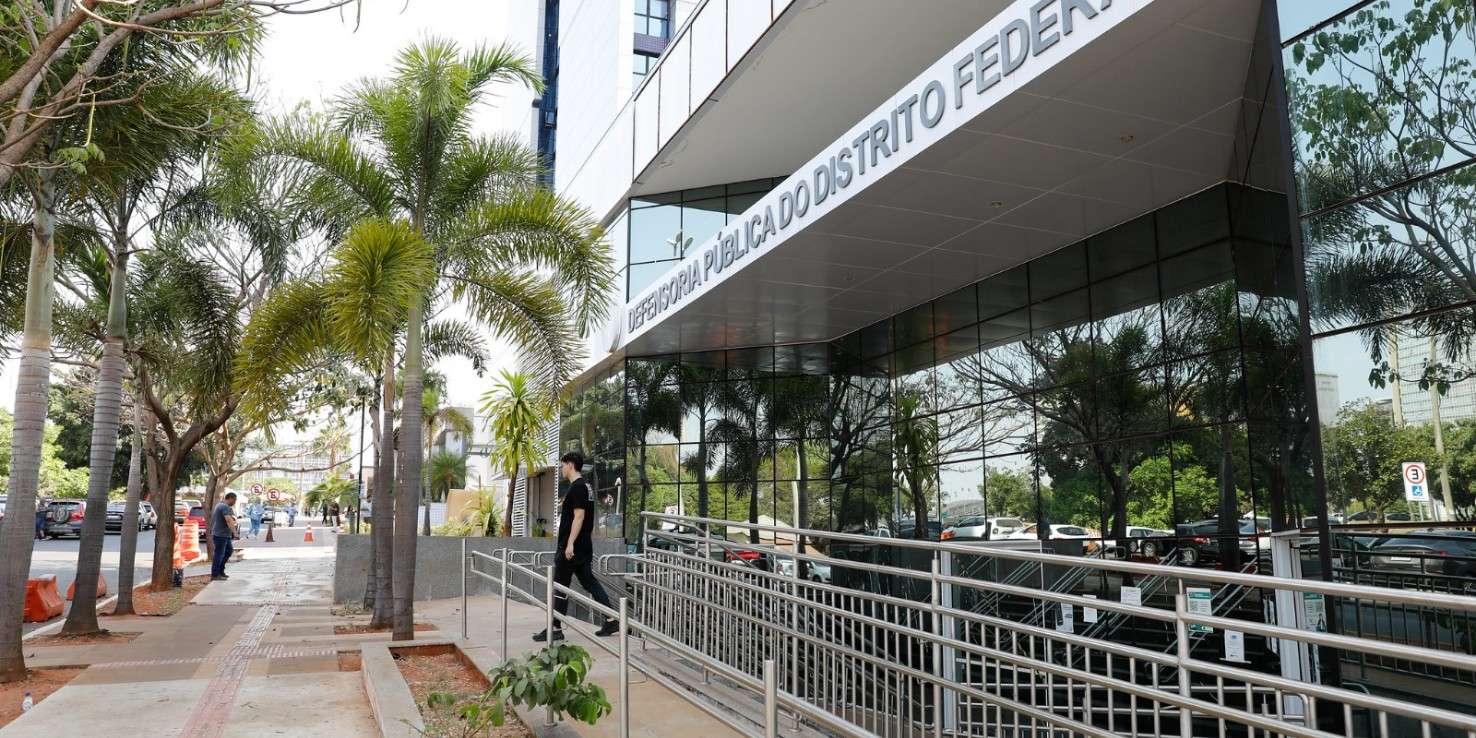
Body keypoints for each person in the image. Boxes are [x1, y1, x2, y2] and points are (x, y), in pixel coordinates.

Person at [534, 452, 618, 642]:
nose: (561, 469)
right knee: (589, 582)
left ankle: (555, 628)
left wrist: (570, 543)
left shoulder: (578, 487)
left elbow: (579, 517)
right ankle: (611, 619)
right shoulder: (586, 487)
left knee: (560, 585)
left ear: (570, 465)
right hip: (583, 546)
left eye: (563, 465)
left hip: (572, 547)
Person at [210, 492, 239, 581]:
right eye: (234, 500)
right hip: (220, 535)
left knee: (228, 551)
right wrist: (235, 532)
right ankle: (215, 574)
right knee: (219, 554)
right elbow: (228, 520)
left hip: (225, 534)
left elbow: (230, 518)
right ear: (230, 498)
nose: (235, 502)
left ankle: (220, 571)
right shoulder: (223, 506)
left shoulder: (221, 506)